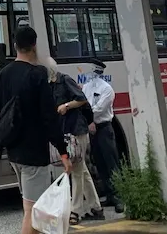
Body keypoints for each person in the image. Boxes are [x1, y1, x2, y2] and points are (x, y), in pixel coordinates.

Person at [0, 25, 72, 234]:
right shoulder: (37, 75)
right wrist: (63, 151)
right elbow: (49, 117)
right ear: (34, 45)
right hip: (34, 153)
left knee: (31, 207)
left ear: (15, 45)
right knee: (33, 210)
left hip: (13, 151)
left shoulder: (3, 74)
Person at [47, 59, 102, 225]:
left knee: (77, 171)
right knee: (81, 169)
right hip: (66, 131)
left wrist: (66, 105)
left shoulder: (64, 80)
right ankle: (96, 207)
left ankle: (75, 210)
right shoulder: (50, 86)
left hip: (77, 131)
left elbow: (82, 99)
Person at [86, 61, 124, 214]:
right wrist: (89, 121)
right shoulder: (87, 87)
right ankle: (109, 195)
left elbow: (99, 108)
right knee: (99, 162)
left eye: (95, 70)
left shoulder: (107, 89)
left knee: (111, 162)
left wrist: (89, 118)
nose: (93, 73)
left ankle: (119, 196)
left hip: (104, 128)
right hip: (93, 129)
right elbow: (85, 105)